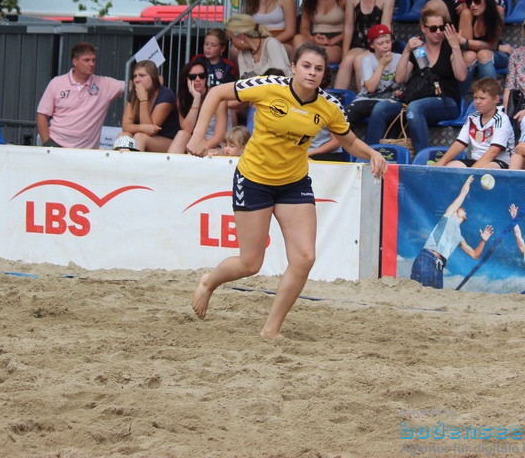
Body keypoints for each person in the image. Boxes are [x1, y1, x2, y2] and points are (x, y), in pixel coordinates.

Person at [187, 43, 388, 338]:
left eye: (318, 69)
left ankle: (271, 329)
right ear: (293, 67)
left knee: (305, 258)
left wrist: (372, 153)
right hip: (254, 178)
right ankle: (208, 282)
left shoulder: (328, 106)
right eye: (306, 66)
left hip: (293, 182)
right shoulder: (269, 86)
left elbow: (348, 140)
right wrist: (197, 136)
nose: (312, 72)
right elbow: (217, 93)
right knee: (250, 263)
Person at [363, 6, 467, 153]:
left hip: (445, 102)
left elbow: (461, 76)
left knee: (414, 108)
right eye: (433, 28)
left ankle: (421, 159)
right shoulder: (418, 50)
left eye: (441, 28)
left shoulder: (449, 48)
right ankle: (368, 154)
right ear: (423, 28)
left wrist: (456, 47)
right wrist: (406, 51)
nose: (438, 32)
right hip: (418, 100)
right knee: (381, 108)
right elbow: (400, 78)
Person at [410, 176, 494, 289]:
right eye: (462, 209)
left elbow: (475, 255)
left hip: (439, 266)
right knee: (419, 295)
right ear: (456, 211)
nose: (464, 211)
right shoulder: (448, 216)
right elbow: (463, 193)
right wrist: (467, 183)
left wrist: (483, 241)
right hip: (427, 258)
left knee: (436, 301)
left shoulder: (459, 237)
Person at [36, 42, 125, 149]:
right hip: (56, 144)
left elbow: (133, 85)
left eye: (93, 60)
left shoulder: (104, 84)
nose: (91, 64)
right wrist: (48, 143)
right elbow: (41, 115)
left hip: (86, 153)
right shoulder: (56, 83)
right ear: (75, 61)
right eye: (86, 60)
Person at [335, 0, 394, 90]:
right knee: (347, 61)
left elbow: (385, 29)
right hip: (359, 41)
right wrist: (344, 54)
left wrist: (383, 50)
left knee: (359, 60)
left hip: (380, 42)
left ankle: (363, 99)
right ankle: (335, 102)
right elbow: (349, 27)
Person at [435, 77, 514, 169]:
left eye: (482, 98)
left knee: (486, 169)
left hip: (499, 162)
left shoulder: (502, 119)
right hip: (475, 160)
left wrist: (472, 171)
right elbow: (459, 143)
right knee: (451, 167)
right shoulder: (472, 118)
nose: (477, 102)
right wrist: (441, 163)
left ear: (496, 99)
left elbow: (493, 152)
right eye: (475, 98)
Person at [112, 60, 178, 152]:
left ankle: (135, 166)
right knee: (123, 136)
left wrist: (143, 100)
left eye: (142, 75)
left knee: (140, 137)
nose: (137, 79)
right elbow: (126, 126)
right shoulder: (134, 94)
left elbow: (151, 131)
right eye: (135, 76)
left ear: (153, 77)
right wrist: (142, 128)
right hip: (143, 136)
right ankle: (123, 165)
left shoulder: (166, 95)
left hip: (168, 142)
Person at [168, 58, 229, 155]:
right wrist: (196, 100)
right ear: (186, 79)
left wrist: (197, 148)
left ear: (206, 78)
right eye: (192, 77)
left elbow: (219, 137)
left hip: (217, 146)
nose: (198, 79)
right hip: (194, 144)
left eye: (202, 76)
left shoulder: (217, 96)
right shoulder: (182, 98)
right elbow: (187, 130)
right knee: (181, 134)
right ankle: (169, 169)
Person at [344, 23, 402, 126]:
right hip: (368, 99)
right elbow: (371, 88)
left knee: (381, 110)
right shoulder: (368, 60)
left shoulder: (399, 58)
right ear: (372, 45)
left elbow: (402, 80)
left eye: (388, 42)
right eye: (380, 43)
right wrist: (381, 65)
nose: (385, 46)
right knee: (347, 112)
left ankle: (372, 142)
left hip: (390, 100)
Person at [460, 0, 507, 80]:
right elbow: (468, 48)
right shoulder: (466, 14)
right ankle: (460, 95)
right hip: (475, 55)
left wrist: (464, 41)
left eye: (477, 1)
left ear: (487, 0)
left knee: (483, 54)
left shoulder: (498, 12)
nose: (473, 5)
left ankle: (490, 94)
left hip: (495, 54)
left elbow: (492, 45)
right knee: (469, 56)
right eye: (469, 2)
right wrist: (468, 43)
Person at [226, 13, 292, 79]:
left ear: (241, 36)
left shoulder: (271, 43)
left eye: (230, 39)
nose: (231, 43)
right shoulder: (242, 54)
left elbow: (281, 76)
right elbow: (243, 83)